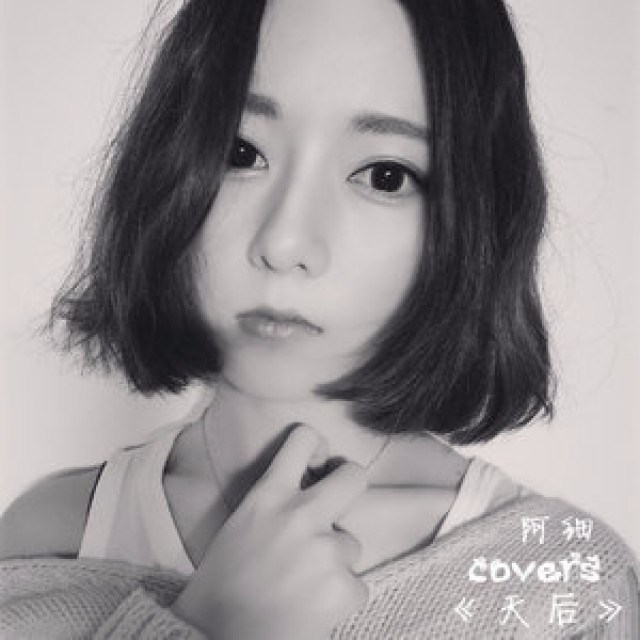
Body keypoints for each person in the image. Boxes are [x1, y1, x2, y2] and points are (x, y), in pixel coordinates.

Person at [1, 0, 638, 637]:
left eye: (384, 176)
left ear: (476, 217)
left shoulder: (560, 591)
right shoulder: (47, 547)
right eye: (241, 152)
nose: (285, 244)